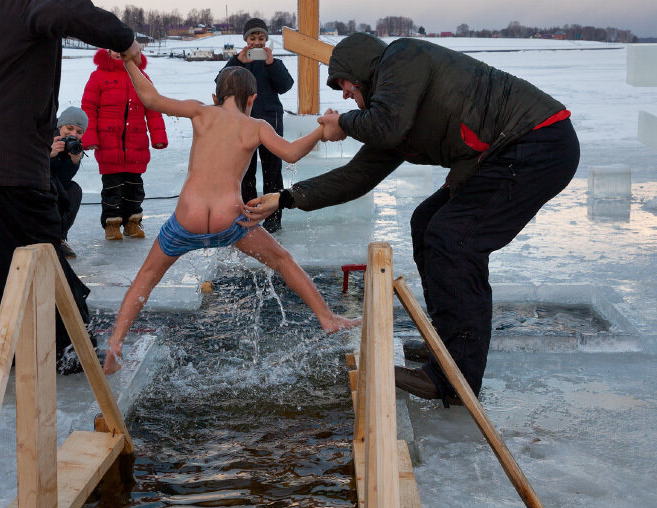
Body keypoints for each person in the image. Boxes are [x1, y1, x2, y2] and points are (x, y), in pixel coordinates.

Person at [242, 33, 579, 404]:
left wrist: (345, 123)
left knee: (454, 240)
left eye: (344, 85)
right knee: (427, 221)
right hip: (500, 155)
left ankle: (455, 378)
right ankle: (447, 344)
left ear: (362, 72)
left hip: (536, 143)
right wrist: (287, 198)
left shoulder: (402, 57)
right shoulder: (396, 114)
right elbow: (357, 177)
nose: (343, 95)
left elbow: (385, 124)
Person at [0, 0, 143, 371]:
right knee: (43, 255)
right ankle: (67, 349)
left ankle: (17, 347)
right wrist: (123, 38)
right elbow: (65, 10)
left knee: (4, 262)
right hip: (10, 159)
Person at [102, 65, 359, 374]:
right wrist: (320, 129)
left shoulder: (200, 112)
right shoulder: (256, 125)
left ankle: (116, 343)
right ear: (252, 98)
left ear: (215, 96)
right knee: (282, 260)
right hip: (231, 221)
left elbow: (150, 97)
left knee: (146, 277)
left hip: (188, 217)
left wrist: (131, 61)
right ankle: (328, 319)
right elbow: (290, 154)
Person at [81, 48, 167, 241]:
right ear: (108, 51)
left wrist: (158, 136)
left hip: (136, 145)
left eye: (124, 50)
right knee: (112, 189)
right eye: (115, 50)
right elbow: (88, 108)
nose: (119, 54)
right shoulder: (98, 76)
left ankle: (132, 223)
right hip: (108, 145)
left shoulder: (141, 76)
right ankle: (112, 225)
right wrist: (90, 138)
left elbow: (153, 108)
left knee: (135, 188)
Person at [219, 17, 293, 233]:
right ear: (246, 39)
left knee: (273, 173)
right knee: (246, 173)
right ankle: (249, 218)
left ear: (266, 40)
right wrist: (238, 61)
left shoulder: (274, 63)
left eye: (261, 37)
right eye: (253, 37)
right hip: (244, 124)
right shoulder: (238, 63)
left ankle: (273, 220)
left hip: (271, 124)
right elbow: (220, 82)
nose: (257, 42)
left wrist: (271, 64)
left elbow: (286, 85)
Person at [50, 106, 87, 259]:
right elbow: (28, 168)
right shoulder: (45, 138)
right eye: (69, 128)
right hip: (37, 186)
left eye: (79, 132)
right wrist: (49, 154)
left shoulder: (74, 145)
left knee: (74, 190)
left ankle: (58, 238)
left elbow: (65, 179)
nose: (73, 134)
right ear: (60, 126)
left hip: (57, 186)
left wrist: (74, 162)